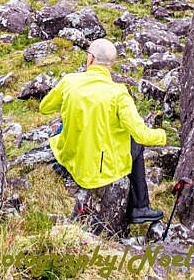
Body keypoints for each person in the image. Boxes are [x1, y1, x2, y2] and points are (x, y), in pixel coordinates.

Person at [39, 38, 167, 223]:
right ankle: (140, 207)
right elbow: (142, 134)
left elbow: (45, 107)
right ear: (110, 65)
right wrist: (162, 135)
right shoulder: (119, 93)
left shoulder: (70, 81)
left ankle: (64, 164)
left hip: (73, 160)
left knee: (68, 124)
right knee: (136, 142)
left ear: (90, 59)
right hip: (101, 171)